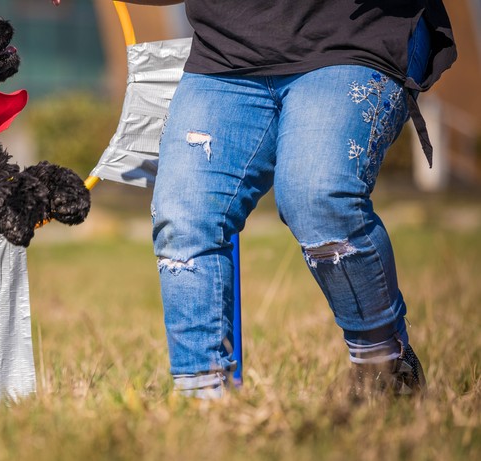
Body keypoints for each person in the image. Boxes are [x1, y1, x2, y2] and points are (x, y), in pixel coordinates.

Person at [52, 0, 456, 399]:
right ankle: (200, 399)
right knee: (183, 213)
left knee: (315, 196)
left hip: (352, 39)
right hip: (228, 51)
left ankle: (384, 367)